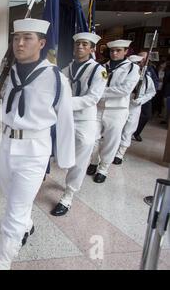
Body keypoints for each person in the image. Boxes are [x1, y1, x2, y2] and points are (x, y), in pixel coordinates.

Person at [0, 18, 75, 270]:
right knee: (10, 195)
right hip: (7, 146)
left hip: (35, 149)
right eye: (16, 38)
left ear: (41, 43)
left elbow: (66, 119)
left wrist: (66, 159)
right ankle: (27, 224)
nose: (19, 43)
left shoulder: (56, 78)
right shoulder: (7, 73)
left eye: (27, 38)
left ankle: (3, 261)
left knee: (15, 208)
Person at [50, 32, 107, 216]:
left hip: (85, 120)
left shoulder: (99, 70)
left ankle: (68, 195)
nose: (80, 47)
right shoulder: (67, 69)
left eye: (84, 44)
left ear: (92, 49)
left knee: (81, 157)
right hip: (65, 119)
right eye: (77, 44)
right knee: (61, 154)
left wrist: (64, 104)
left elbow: (92, 98)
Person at [87, 39, 140, 183]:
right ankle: (93, 161)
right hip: (98, 108)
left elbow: (124, 90)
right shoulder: (102, 66)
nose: (114, 53)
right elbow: (92, 84)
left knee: (111, 141)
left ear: (125, 51)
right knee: (92, 138)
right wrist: (97, 92)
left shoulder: (132, 68)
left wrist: (99, 92)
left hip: (117, 110)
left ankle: (103, 168)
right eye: (112, 50)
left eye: (118, 50)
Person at [113, 55, 156, 164]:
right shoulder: (121, 76)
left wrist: (141, 99)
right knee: (116, 128)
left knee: (128, 129)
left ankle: (120, 153)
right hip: (120, 104)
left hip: (134, 106)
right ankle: (112, 150)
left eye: (137, 64)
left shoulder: (146, 78)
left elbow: (151, 92)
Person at [131, 52, 158, 142]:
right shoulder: (131, 68)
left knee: (146, 115)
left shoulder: (150, 69)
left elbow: (154, 84)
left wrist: (145, 97)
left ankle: (136, 132)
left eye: (144, 59)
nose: (142, 60)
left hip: (144, 97)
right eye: (140, 58)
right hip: (130, 98)